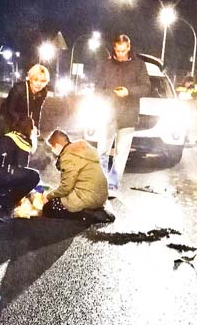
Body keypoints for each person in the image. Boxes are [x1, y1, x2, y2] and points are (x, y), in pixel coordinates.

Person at [94, 34, 150, 198]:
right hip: (108, 114)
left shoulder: (139, 65)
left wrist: (129, 92)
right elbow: (97, 88)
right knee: (102, 151)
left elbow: (146, 87)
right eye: (117, 51)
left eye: (123, 50)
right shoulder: (105, 64)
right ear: (114, 48)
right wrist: (111, 93)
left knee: (121, 153)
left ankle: (113, 185)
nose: (120, 54)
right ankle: (100, 183)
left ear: (129, 47)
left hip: (128, 115)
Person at [41, 129, 111, 222]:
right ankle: (95, 210)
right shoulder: (83, 150)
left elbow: (66, 187)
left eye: (52, 147)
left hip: (87, 197)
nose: (53, 150)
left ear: (57, 145)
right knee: (59, 198)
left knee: (49, 208)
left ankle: (85, 215)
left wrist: (48, 197)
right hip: (101, 195)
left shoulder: (68, 157)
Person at [0, 64, 50, 133]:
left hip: (23, 117)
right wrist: (20, 124)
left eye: (42, 81)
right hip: (8, 115)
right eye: (36, 80)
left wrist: (35, 128)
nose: (39, 84)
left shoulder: (43, 92)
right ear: (30, 79)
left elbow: (37, 111)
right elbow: (10, 109)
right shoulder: (18, 88)